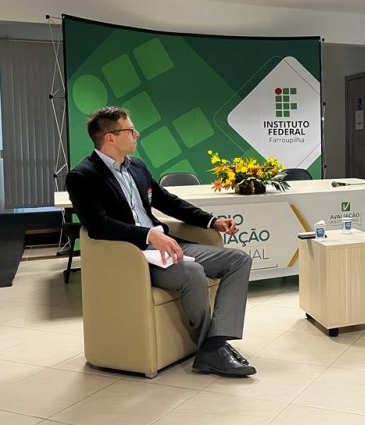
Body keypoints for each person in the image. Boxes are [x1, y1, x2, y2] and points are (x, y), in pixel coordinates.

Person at [66, 106, 255, 377]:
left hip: (167, 245)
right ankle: (213, 350)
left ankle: (215, 344)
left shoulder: (137, 167)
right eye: (130, 130)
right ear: (110, 137)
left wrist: (211, 221)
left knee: (238, 260)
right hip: (134, 256)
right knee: (193, 271)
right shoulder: (83, 176)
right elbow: (98, 225)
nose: (136, 134)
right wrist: (148, 234)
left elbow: (168, 202)